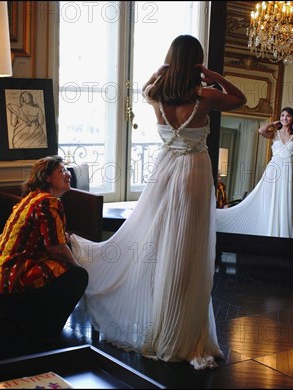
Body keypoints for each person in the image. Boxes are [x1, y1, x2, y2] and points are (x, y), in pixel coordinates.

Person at [69, 35, 246, 370]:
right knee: (188, 248)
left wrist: (161, 70)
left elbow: (146, 86)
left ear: (170, 61)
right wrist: (213, 75)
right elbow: (240, 98)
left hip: (165, 172)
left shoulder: (155, 96)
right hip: (193, 173)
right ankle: (179, 330)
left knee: (161, 243)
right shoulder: (204, 95)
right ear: (196, 62)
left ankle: (162, 322)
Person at [0, 155, 88, 336]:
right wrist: (77, 266)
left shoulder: (32, 198)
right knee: (77, 275)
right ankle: (44, 331)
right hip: (14, 274)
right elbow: (56, 249)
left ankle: (21, 318)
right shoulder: (49, 202)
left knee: (65, 266)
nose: (68, 174)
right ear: (47, 177)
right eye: (61, 171)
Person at [215, 107, 293, 237]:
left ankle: (282, 234)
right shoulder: (274, 134)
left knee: (285, 199)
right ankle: (269, 231)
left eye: (288, 116)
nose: (284, 118)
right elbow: (261, 130)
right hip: (273, 170)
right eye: (282, 115)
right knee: (270, 199)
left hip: (288, 171)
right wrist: (273, 123)